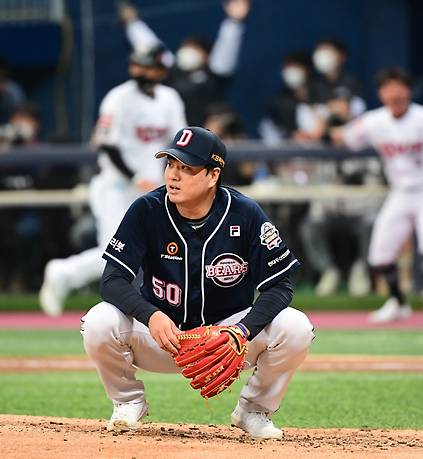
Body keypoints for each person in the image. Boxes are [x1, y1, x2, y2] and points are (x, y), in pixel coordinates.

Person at [80, 127, 314, 440]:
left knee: (296, 327)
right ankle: (127, 402)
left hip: (226, 338)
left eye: (187, 168)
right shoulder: (146, 209)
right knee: (98, 321)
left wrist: (241, 331)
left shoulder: (246, 213)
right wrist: (150, 314)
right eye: (170, 165)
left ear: (212, 175)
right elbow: (112, 281)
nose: (173, 176)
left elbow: (280, 285)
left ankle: (254, 410)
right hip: (162, 336)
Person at [38, 45, 186, 316]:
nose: (140, 71)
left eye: (148, 66)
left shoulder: (170, 98)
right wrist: (135, 176)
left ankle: (158, 309)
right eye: (137, 65)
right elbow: (107, 145)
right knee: (114, 250)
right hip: (116, 186)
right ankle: (62, 274)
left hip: (153, 188)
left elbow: (178, 142)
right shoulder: (118, 98)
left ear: (161, 70)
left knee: (158, 249)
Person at [332, 67, 423, 322]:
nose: (393, 93)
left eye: (398, 87)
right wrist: (329, 123)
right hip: (401, 192)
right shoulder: (374, 121)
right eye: (387, 88)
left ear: (408, 90)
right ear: (381, 93)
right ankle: (398, 302)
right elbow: (343, 137)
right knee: (380, 255)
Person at [119, 0, 250, 126]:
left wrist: (234, 22)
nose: (189, 51)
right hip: (173, 138)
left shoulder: (216, 75)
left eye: (196, 48)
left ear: (207, 56)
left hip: (204, 139)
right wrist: (133, 23)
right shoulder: (172, 70)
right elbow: (151, 47)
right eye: (187, 46)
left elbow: (227, 48)